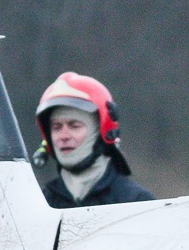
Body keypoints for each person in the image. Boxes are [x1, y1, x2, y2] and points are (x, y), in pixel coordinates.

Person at [34, 72, 153, 207]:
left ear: (101, 131)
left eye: (74, 126)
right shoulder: (40, 205)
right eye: (56, 127)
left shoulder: (135, 202)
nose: (64, 136)